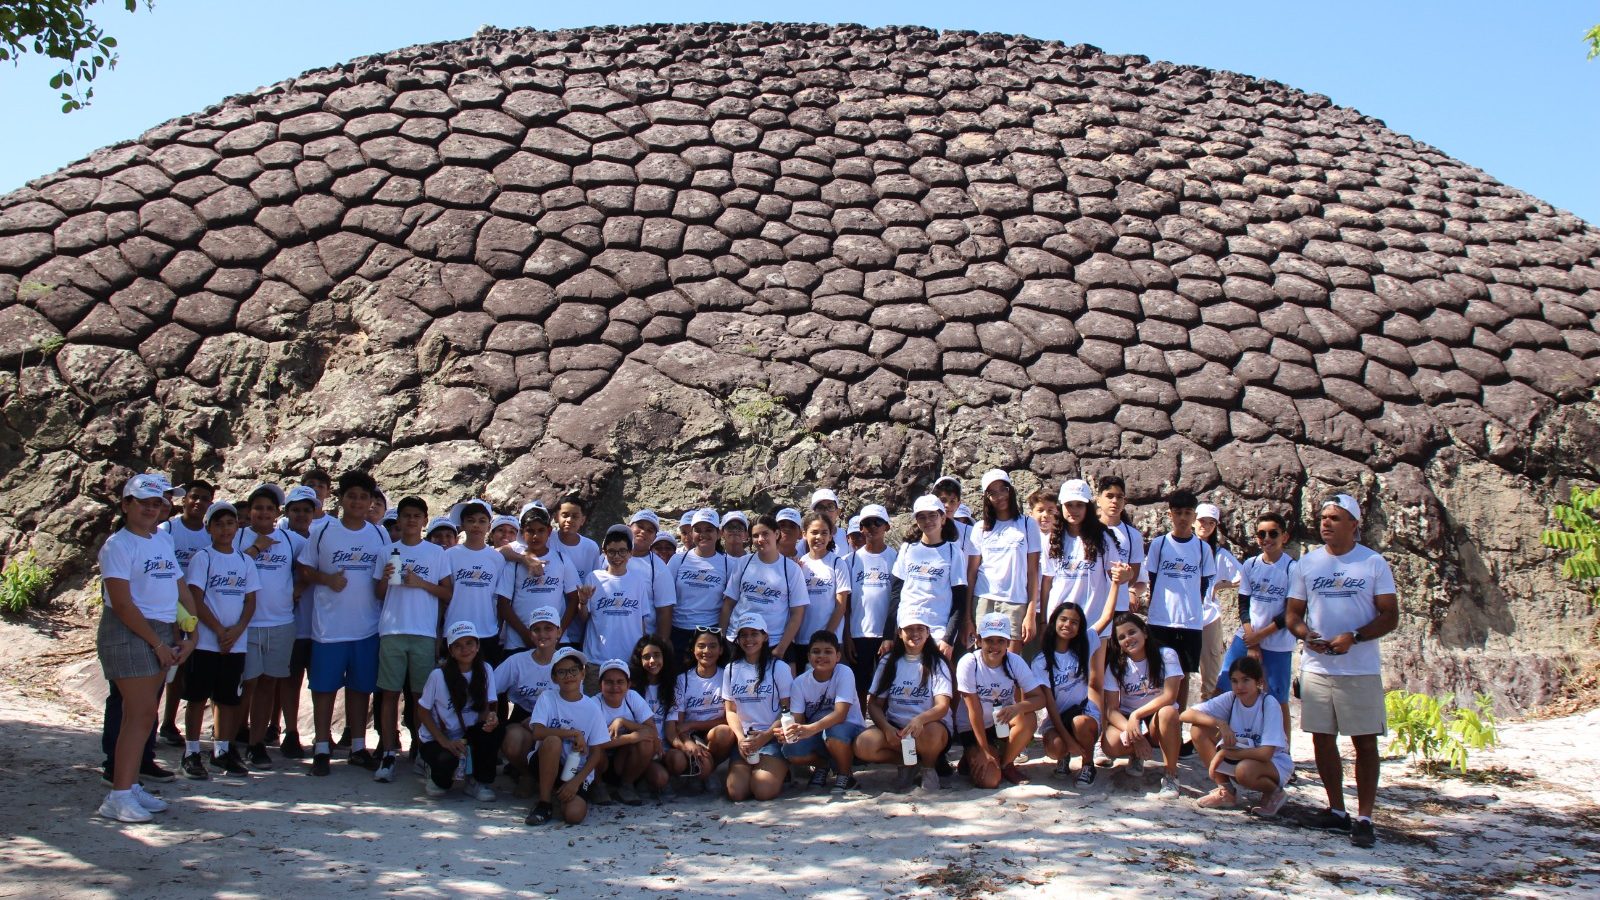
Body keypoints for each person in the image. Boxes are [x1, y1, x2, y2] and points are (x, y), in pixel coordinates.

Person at [1285, 494, 1399, 850]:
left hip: (1359, 669)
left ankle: (1364, 818)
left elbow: (1389, 615)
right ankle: (1336, 810)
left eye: (1335, 518)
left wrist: (1357, 637)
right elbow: (1292, 615)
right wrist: (1307, 636)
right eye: (1323, 518)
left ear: (1354, 524)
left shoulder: (1373, 563)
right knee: (1322, 737)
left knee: (1364, 741)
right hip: (1317, 666)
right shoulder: (1307, 564)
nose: (1326, 523)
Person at [97, 473, 193, 822]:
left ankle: (129, 784)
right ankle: (118, 795)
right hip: (130, 631)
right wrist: (156, 643)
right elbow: (122, 604)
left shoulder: (161, 541)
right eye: (145, 502)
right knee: (137, 715)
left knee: (143, 716)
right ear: (126, 504)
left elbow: (179, 587)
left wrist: (189, 632)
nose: (153, 509)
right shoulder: (118, 545)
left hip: (162, 630)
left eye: (159, 503)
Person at [295, 470, 389, 775]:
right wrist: (326, 579)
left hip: (367, 627)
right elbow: (304, 568)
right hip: (328, 628)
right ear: (342, 499)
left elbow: (390, 573)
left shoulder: (378, 534)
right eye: (353, 496)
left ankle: (359, 746)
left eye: (365, 497)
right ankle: (322, 747)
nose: (359, 502)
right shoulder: (323, 532)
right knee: (323, 688)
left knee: (361, 688)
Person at [373, 496, 452, 783]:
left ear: (424, 520)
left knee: (421, 696)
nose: (410, 521)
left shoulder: (436, 553)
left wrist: (420, 583)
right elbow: (379, 594)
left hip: (423, 631)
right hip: (392, 631)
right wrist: (384, 578)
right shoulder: (386, 551)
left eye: (416, 516)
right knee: (390, 694)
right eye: (406, 515)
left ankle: (421, 750)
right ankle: (388, 752)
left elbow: (447, 593)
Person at [180, 501, 260, 779]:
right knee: (197, 697)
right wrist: (217, 629)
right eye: (219, 524)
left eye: (230, 523)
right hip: (206, 642)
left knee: (228, 700)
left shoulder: (245, 561)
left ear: (238, 526)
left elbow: (250, 601)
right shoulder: (204, 558)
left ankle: (222, 751)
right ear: (209, 527)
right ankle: (191, 752)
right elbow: (195, 598)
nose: (225, 529)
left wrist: (236, 630)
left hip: (234, 644)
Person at [234, 484, 304, 770]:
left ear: (278, 513)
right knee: (245, 685)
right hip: (247, 624)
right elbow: (230, 568)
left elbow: (310, 566)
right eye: (258, 508)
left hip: (281, 622)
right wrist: (254, 549)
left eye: (269, 508)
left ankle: (256, 742)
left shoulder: (290, 540)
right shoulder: (238, 536)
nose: (263, 513)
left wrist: (297, 589)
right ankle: (231, 739)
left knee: (267, 684)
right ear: (250, 512)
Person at [1137, 490, 1216, 732]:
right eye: (1178, 513)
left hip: (1190, 623)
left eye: (1188, 513)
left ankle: (1175, 728)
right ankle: (1152, 727)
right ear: (1170, 515)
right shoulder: (1160, 545)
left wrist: (1191, 608)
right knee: (1155, 674)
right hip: (1161, 620)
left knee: (1182, 676)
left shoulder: (1203, 550)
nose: (1183, 518)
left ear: (1194, 516)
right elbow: (1151, 578)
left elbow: (1203, 584)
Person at [1219, 512, 1297, 753]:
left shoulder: (1293, 568)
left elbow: (1290, 612)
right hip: (1247, 637)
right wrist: (1251, 638)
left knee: (1277, 698)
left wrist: (1260, 637)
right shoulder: (1251, 565)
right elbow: (1244, 602)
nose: (1267, 538)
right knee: (1223, 685)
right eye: (1261, 534)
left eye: (1273, 533)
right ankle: (1217, 740)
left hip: (1277, 643)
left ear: (1284, 536)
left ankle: (1284, 753)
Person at [853, 613, 954, 794]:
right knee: (863, 744)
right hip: (897, 728)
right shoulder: (889, 661)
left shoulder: (937, 662)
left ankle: (929, 768)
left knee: (930, 733)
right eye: (909, 629)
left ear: (927, 632)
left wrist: (920, 720)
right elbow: (874, 704)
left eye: (920, 629)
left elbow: (942, 706)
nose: (915, 633)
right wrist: (885, 727)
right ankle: (908, 763)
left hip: (928, 726)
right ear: (899, 633)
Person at [1182, 655, 1292, 816]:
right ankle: (1225, 790)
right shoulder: (1231, 699)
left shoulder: (1269, 703)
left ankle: (1275, 792)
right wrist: (1220, 723)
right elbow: (1186, 715)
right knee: (1198, 730)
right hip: (1242, 752)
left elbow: (1266, 753)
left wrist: (1227, 753)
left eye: (1245, 680)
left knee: (1244, 771)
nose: (1239, 686)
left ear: (1258, 681)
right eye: (1234, 681)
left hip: (1272, 762)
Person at [414, 621, 502, 801]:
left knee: (496, 732)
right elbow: (422, 711)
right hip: (440, 737)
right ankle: (431, 769)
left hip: (468, 735)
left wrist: (491, 718)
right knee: (442, 780)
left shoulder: (486, 670)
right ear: (451, 651)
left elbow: (486, 708)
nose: (465, 649)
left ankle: (477, 782)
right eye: (458, 645)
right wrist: (444, 741)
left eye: (469, 643)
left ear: (477, 645)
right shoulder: (438, 676)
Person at [954, 613, 1044, 788]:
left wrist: (1018, 707)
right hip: (973, 728)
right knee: (990, 781)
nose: (995, 646)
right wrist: (984, 750)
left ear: (1008, 643)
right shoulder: (969, 662)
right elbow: (974, 711)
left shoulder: (1014, 661)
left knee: (1028, 718)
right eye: (990, 640)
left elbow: (1040, 699)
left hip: (1000, 722)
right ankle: (974, 754)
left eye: (1000, 641)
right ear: (979, 641)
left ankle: (1006, 764)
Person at [524, 647, 611, 825]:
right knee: (552, 741)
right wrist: (572, 733)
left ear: (583, 674)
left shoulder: (592, 708)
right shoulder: (547, 698)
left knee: (574, 815)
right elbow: (538, 732)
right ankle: (544, 802)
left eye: (573, 670)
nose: (568, 676)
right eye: (561, 672)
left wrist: (576, 782)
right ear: (554, 677)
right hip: (545, 761)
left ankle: (563, 793)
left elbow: (596, 753)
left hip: (575, 771)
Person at [156, 479, 213, 747]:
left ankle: (169, 722)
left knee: (183, 670)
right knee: (162, 667)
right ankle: (149, 723)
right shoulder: (167, 529)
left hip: (196, 608)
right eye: (194, 497)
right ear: (184, 499)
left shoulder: (209, 535)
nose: (198, 502)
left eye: (204, 498)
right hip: (167, 607)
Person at [1102, 612, 1183, 798]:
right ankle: (1136, 755)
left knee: (1169, 713)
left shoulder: (1166, 655)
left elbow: (1170, 696)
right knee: (1110, 744)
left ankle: (1171, 774)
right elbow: (1111, 709)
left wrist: (1137, 715)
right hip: (1130, 718)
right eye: (1121, 637)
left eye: (1132, 632)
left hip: (1156, 716)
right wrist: (1135, 734)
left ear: (1145, 632)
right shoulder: (1115, 666)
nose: (1128, 639)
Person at [1029, 601, 1105, 784]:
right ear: (1054, 621)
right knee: (1056, 747)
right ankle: (1064, 758)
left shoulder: (1084, 645)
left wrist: (1117, 585)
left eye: (1074, 622)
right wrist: (1066, 740)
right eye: (1063, 619)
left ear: (1080, 628)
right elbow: (1050, 704)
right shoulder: (1041, 661)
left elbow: (1107, 616)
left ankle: (1088, 765)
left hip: (1084, 713)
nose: (1067, 625)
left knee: (1079, 723)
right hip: (1058, 717)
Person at [966, 470, 1042, 653]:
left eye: (1003, 489)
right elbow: (972, 573)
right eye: (992, 492)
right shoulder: (979, 528)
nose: (999, 496)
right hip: (983, 599)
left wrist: (1030, 612)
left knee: (1012, 662)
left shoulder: (1027, 524)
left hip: (1015, 601)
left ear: (1011, 490)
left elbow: (1032, 572)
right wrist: (967, 617)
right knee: (984, 659)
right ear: (986, 497)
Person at [781, 630, 865, 793]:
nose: (822, 656)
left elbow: (841, 714)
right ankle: (823, 765)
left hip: (848, 728)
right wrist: (790, 730)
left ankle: (845, 774)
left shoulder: (844, 672)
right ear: (808, 656)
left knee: (833, 731)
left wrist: (810, 729)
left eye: (828, 652)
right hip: (818, 731)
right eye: (816, 651)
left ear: (838, 656)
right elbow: (797, 719)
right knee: (790, 748)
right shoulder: (800, 682)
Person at [722, 612, 793, 802]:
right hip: (745, 741)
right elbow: (730, 710)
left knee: (763, 791)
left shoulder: (779, 667)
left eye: (754, 633)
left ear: (765, 636)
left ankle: (780, 770)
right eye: (743, 634)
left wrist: (767, 736)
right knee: (736, 793)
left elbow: (787, 710)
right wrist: (739, 739)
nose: (749, 639)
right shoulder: (731, 669)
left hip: (772, 738)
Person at [719, 514, 808, 665]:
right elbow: (728, 604)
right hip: (738, 640)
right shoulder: (743, 563)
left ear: (777, 534)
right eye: (755, 535)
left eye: (765, 533)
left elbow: (797, 614)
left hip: (773, 642)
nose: (760, 539)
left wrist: (780, 649)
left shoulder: (791, 569)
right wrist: (721, 638)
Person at [889, 495, 969, 659]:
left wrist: (948, 639)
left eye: (933, 515)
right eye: (922, 516)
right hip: (906, 628)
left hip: (937, 632)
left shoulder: (954, 553)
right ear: (916, 521)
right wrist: (888, 636)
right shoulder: (906, 549)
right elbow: (895, 594)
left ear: (943, 518)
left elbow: (960, 600)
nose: (928, 521)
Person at [494, 606, 563, 797]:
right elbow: (489, 690)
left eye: (548, 628)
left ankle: (551, 781)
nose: (542, 634)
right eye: (537, 629)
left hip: (558, 720)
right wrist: (490, 713)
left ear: (559, 631)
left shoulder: (569, 662)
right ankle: (528, 775)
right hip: (523, 716)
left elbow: (576, 703)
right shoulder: (516, 661)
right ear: (530, 634)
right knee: (512, 740)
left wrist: (539, 721)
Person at [585, 524, 664, 690]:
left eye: (622, 551)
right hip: (597, 659)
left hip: (629, 660)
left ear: (630, 553)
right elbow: (584, 617)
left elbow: (641, 621)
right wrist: (582, 602)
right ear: (604, 552)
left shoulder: (638, 582)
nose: (617, 556)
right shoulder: (593, 578)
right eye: (612, 551)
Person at [495, 505, 580, 658]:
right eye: (530, 531)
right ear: (522, 533)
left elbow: (574, 599)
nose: (536, 536)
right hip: (518, 642)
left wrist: (558, 632)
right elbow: (503, 604)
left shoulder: (562, 559)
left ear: (548, 531)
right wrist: (525, 634)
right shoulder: (514, 563)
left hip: (556, 641)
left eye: (541, 530)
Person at [1041, 479, 1119, 639]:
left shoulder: (1103, 537)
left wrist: (1126, 576)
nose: (1074, 510)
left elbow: (1116, 575)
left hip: (1094, 620)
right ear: (1060, 507)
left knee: (1094, 665)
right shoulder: (1051, 539)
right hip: (1059, 622)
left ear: (1088, 507)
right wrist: (1044, 621)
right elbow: (1047, 582)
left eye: (1079, 505)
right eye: (1069, 504)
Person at [276, 484, 320, 759]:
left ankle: (320, 734)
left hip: (317, 624)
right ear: (287, 512)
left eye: (307, 510)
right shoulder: (279, 541)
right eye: (296, 510)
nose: (302, 515)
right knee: (290, 681)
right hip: (290, 623)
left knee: (318, 683)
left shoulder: (320, 539)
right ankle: (290, 731)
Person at [666, 627, 732, 794]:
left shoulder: (728, 676)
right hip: (690, 735)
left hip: (715, 734)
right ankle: (697, 770)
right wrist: (687, 742)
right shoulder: (682, 680)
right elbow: (679, 724)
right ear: (693, 649)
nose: (706, 651)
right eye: (701, 646)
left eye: (712, 646)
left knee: (724, 733)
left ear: (721, 649)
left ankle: (708, 769)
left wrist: (694, 723)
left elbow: (730, 718)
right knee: (678, 760)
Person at [843, 504, 897, 698]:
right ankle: (861, 727)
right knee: (860, 686)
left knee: (887, 688)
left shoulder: (897, 558)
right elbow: (846, 604)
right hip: (859, 633)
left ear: (887, 527)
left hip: (887, 634)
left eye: (878, 522)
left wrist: (890, 635)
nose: (872, 527)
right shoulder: (849, 561)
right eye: (867, 523)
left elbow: (897, 599)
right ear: (861, 528)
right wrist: (847, 636)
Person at [444, 499, 507, 664]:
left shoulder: (497, 559)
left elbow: (499, 598)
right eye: (471, 521)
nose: (476, 526)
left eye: (482, 521)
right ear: (462, 525)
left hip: (487, 631)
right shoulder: (449, 555)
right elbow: (443, 595)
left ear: (489, 525)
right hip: (454, 630)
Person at [594, 658, 661, 805]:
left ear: (628, 685)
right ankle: (598, 786)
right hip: (599, 762)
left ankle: (626, 785)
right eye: (609, 682)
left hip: (624, 761)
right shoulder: (594, 704)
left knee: (646, 743)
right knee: (595, 752)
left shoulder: (633, 697)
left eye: (620, 682)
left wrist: (623, 722)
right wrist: (632, 737)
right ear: (600, 685)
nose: (615, 687)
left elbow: (652, 732)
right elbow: (593, 744)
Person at [666, 508, 729, 661]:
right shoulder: (677, 560)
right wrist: (666, 637)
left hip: (711, 632)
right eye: (698, 530)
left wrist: (721, 635)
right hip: (679, 631)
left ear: (719, 533)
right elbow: (666, 601)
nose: (703, 534)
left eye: (709, 529)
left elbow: (729, 604)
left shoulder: (729, 564)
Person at [1195, 503, 1243, 702]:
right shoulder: (1178, 547)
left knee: (1212, 676)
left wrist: (1220, 585)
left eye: (1211, 522)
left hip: (1208, 617)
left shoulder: (1219, 554)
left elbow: (1241, 575)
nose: (1205, 526)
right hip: (1182, 618)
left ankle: (1209, 728)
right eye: (1202, 521)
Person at [794, 511, 850, 667]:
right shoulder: (799, 565)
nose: (819, 537)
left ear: (831, 535)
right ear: (804, 534)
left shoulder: (837, 563)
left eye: (824, 532)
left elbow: (841, 605)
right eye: (814, 532)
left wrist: (827, 636)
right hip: (803, 638)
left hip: (830, 640)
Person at [551, 494, 601, 647]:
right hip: (552, 620)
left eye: (575, 516)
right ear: (556, 516)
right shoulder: (547, 540)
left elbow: (594, 583)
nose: (569, 520)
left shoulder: (591, 547)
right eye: (565, 515)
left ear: (583, 520)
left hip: (579, 622)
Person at [630, 635, 677, 794]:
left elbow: (670, 728)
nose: (652, 661)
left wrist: (684, 745)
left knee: (678, 760)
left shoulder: (672, 686)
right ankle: (642, 776)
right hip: (643, 747)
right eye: (646, 656)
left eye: (656, 655)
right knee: (660, 779)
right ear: (639, 660)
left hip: (664, 747)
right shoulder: (632, 688)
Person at [1094, 475, 1144, 623]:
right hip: (1091, 603)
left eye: (1119, 497)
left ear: (1124, 500)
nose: (1114, 501)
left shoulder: (1133, 535)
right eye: (1109, 496)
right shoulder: (1088, 531)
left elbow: (1134, 574)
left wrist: (1121, 579)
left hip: (1119, 605)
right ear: (1098, 500)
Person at [625, 509, 677, 639]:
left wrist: (661, 644)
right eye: (640, 527)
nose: (643, 532)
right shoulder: (605, 558)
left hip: (641, 641)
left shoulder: (659, 568)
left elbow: (665, 611)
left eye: (650, 530)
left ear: (654, 537)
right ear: (628, 528)